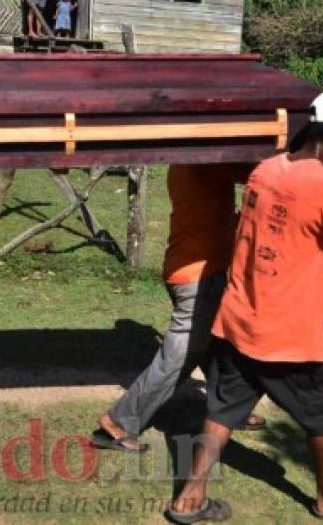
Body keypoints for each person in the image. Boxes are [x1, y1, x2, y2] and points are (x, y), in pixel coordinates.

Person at [165, 89, 323, 524]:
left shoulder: (265, 169)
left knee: (222, 411)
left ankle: (189, 498)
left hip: (237, 321)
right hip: (288, 336)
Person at [91, 164, 264, 453]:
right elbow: (255, 173)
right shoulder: (203, 162)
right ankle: (117, 422)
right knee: (180, 356)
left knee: (217, 347)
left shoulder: (191, 160)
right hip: (196, 276)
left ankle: (231, 411)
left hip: (198, 269)